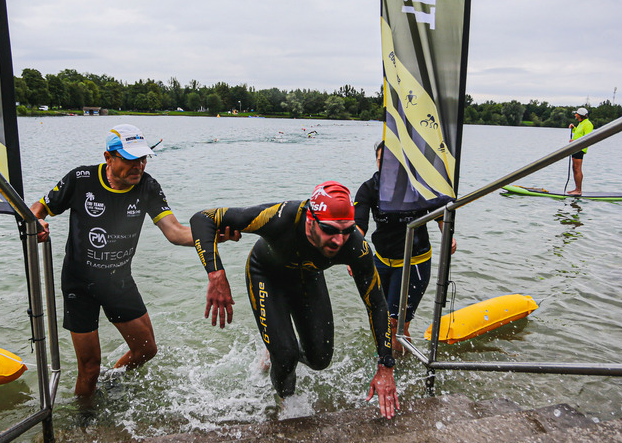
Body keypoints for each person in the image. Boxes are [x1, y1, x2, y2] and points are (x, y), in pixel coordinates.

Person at [30, 125, 234, 398]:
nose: (138, 166)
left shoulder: (148, 187)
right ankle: (83, 421)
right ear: (109, 157)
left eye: (143, 158)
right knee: (89, 368)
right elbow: (39, 207)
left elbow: (175, 232)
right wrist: (37, 221)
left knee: (147, 350)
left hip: (119, 281)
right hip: (80, 283)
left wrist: (213, 238)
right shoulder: (81, 179)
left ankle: (113, 379)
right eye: (129, 159)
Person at [190, 181, 399, 419]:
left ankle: (277, 350)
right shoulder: (280, 217)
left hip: (307, 278)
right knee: (286, 356)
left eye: (347, 230)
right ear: (311, 221)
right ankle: (285, 400)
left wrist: (385, 367)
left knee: (320, 359)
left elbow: (377, 303)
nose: (339, 240)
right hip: (266, 275)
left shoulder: (354, 246)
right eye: (330, 230)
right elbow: (203, 218)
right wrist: (216, 275)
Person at [354, 142, 456, 354]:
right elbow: (359, 227)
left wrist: (448, 235)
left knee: (396, 324)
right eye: (383, 161)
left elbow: (440, 213)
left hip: (413, 263)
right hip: (381, 261)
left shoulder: (417, 187)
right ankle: (392, 362)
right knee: (380, 318)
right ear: (377, 161)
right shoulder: (369, 188)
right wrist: (353, 254)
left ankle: (397, 369)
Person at [567, 106, 594, 196]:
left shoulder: (588, 124)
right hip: (576, 148)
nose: (575, 115)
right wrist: (573, 128)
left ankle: (579, 190)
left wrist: (574, 142)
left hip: (580, 148)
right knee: (574, 168)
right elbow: (579, 134)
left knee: (577, 169)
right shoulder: (581, 123)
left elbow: (587, 137)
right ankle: (576, 189)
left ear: (580, 115)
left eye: (576, 114)